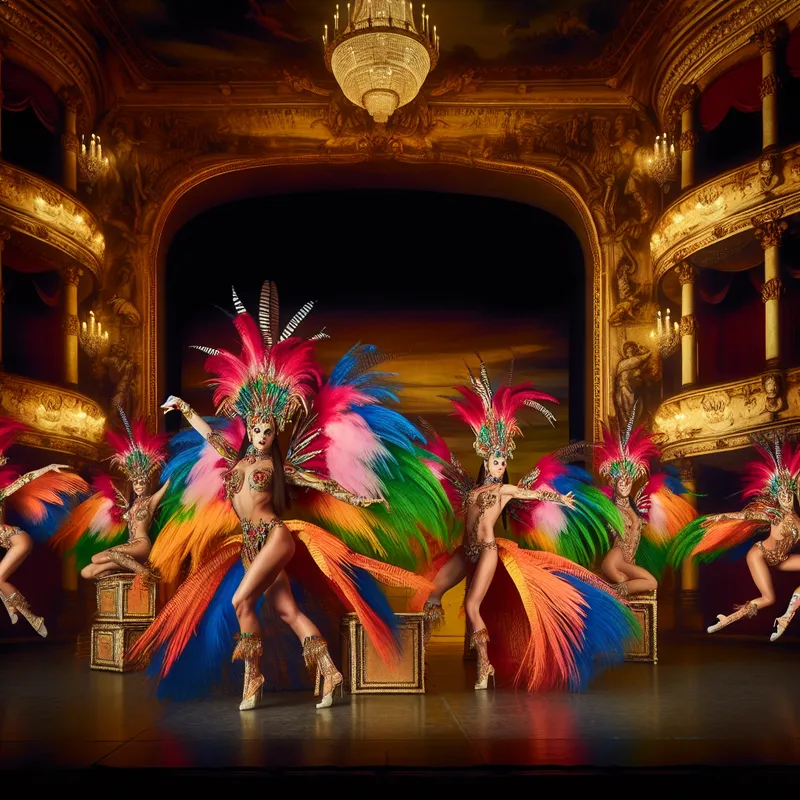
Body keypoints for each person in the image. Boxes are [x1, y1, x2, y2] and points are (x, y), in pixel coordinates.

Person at [128, 281, 448, 710]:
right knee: (286, 611)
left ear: (274, 432)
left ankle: (253, 678)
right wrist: (184, 408)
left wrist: (363, 501)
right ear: (248, 428)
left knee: (241, 600)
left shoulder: (278, 469)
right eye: (257, 429)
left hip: (274, 536)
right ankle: (330, 672)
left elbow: (324, 484)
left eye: (268, 430)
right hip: (248, 543)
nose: (262, 435)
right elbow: (208, 434)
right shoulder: (235, 461)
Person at [412, 357, 639, 691]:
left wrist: (560, 499)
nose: (501, 465)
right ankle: (418, 659)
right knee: (432, 593)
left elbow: (530, 493)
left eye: (504, 461)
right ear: (485, 458)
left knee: (472, 605)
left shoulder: (503, 490)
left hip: (487, 551)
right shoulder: (471, 491)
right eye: (496, 460)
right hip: (466, 551)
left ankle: (485, 666)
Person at [669, 432, 800, 640]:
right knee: (768, 598)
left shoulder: (797, 521)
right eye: (781, 494)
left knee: (773, 598)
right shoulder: (773, 515)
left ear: (792, 494)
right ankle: (727, 620)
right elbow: (744, 515)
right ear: (777, 495)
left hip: (782, 559)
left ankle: (785, 618)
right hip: (760, 554)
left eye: (788, 494)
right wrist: (717, 518)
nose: (785, 497)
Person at [52, 403, 169, 586]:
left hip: (141, 545)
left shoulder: (151, 501)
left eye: (141, 482)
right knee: (88, 570)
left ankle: (146, 573)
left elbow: (168, 485)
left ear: (147, 482)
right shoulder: (131, 505)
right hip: (127, 549)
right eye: (135, 482)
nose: (138, 485)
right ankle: (124, 572)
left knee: (110, 555)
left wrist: (175, 468)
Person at [0, 417, 87, 637]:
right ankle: (12, 607)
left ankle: (31, 616)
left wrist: (48, 467)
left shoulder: (2, 493)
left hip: (18, 540)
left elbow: (26, 478)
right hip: (12, 540)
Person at [596, 409, 696, 598]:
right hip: (614, 560)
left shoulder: (637, 506)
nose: (625, 484)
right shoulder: (611, 508)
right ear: (613, 483)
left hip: (627, 561)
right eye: (620, 480)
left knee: (651, 582)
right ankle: (611, 594)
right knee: (630, 581)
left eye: (628, 480)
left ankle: (612, 594)